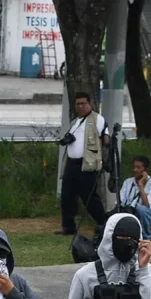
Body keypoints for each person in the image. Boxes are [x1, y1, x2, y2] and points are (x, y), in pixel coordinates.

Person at [58, 92, 109, 236]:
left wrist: (104, 156)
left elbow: (106, 139)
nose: (80, 107)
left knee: (89, 196)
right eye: (78, 104)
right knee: (67, 195)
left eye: (83, 104)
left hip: (87, 163)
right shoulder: (75, 122)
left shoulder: (97, 119)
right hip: (72, 163)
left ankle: (102, 223)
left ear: (89, 104)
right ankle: (68, 226)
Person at [117, 156, 151, 240]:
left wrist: (141, 185)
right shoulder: (128, 182)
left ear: (145, 170)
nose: (135, 170)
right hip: (129, 211)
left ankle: (145, 238)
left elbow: (146, 205)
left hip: (147, 214)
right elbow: (120, 201)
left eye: (138, 167)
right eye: (134, 167)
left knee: (141, 209)